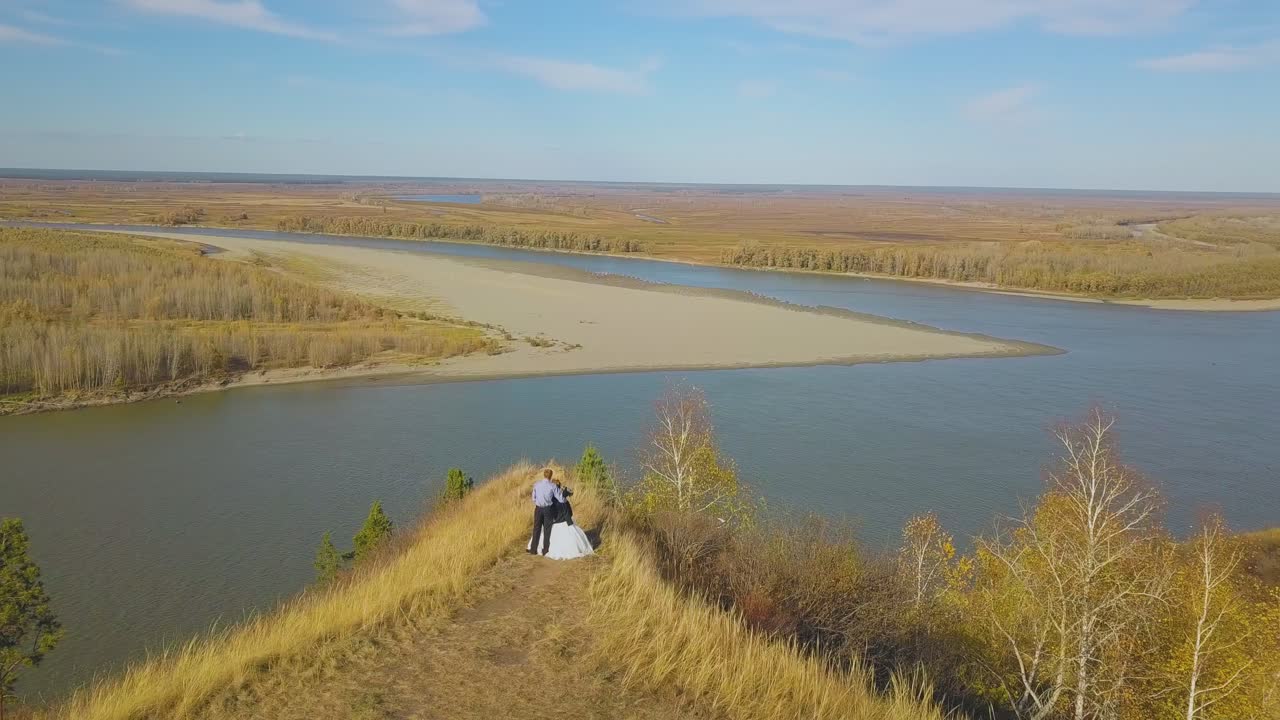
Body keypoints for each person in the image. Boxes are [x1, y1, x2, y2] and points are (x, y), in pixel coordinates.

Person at [528, 469, 595, 560]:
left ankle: (533, 549)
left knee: (537, 528)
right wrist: (566, 495)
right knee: (547, 530)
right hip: (547, 509)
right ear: (550, 476)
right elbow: (561, 499)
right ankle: (545, 550)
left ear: (544, 475)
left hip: (538, 508)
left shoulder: (537, 484)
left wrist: (539, 502)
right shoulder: (552, 486)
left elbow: (533, 498)